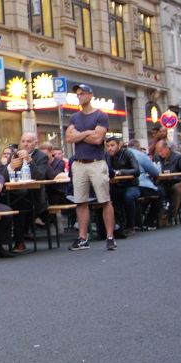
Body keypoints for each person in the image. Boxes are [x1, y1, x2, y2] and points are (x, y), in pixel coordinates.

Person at [65, 83, 117, 251]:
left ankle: (110, 236)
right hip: (79, 164)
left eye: (82, 93)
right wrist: (88, 132)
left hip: (96, 162)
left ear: (90, 95)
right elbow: (68, 137)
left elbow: (97, 139)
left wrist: (79, 135)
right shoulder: (74, 117)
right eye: (77, 94)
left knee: (105, 200)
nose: (79, 96)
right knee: (80, 201)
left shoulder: (101, 116)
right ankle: (82, 237)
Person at [2, 132, 53, 253]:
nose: (25, 144)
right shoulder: (14, 155)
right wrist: (10, 167)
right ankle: (0, 242)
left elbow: (40, 177)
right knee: (0, 200)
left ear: (35, 143)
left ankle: (19, 241)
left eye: (29, 142)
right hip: (13, 192)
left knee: (21, 203)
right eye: (23, 141)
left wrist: (29, 160)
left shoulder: (42, 157)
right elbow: (3, 176)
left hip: (33, 194)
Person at [105, 137, 140, 238]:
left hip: (131, 185)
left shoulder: (127, 153)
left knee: (128, 196)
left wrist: (120, 172)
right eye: (107, 146)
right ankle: (116, 225)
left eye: (112, 145)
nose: (109, 148)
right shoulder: (106, 155)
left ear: (119, 145)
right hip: (115, 185)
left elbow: (136, 170)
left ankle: (130, 226)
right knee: (106, 198)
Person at [127, 139, 164, 229]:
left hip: (126, 185)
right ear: (138, 147)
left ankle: (139, 220)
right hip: (141, 184)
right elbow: (155, 172)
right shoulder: (140, 155)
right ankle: (149, 222)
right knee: (160, 193)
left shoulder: (122, 154)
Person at [154, 139, 181, 222]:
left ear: (167, 148)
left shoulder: (179, 157)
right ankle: (159, 215)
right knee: (156, 189)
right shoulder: (157, 158)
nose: (160, 153)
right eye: (158, 152)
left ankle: (172, 213)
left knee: (177, 188)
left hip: (177, 182)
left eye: (161, 151)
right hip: (163, 182)